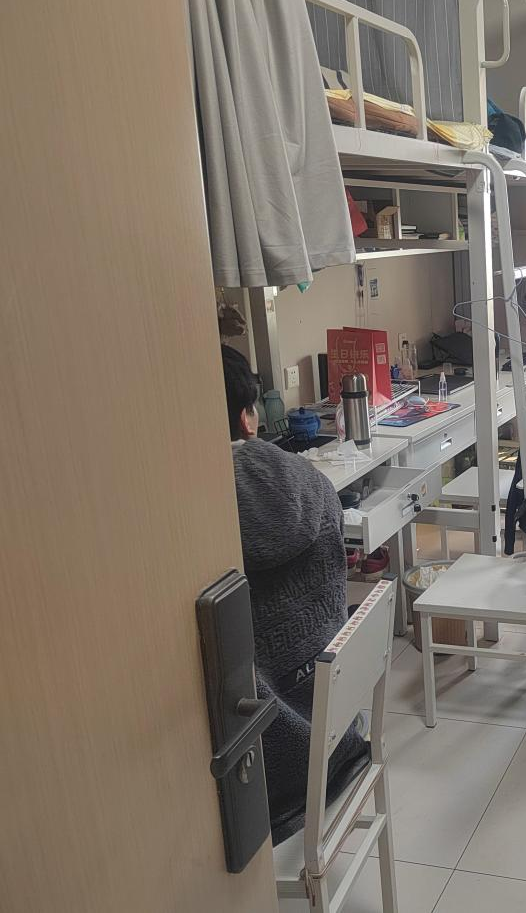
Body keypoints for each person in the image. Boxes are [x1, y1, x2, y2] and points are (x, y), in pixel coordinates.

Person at [221, 346, 369, 843]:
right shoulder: (314, 485)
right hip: (342, 731)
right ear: (249, 416)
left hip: (265, 781)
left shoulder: (189, 525)